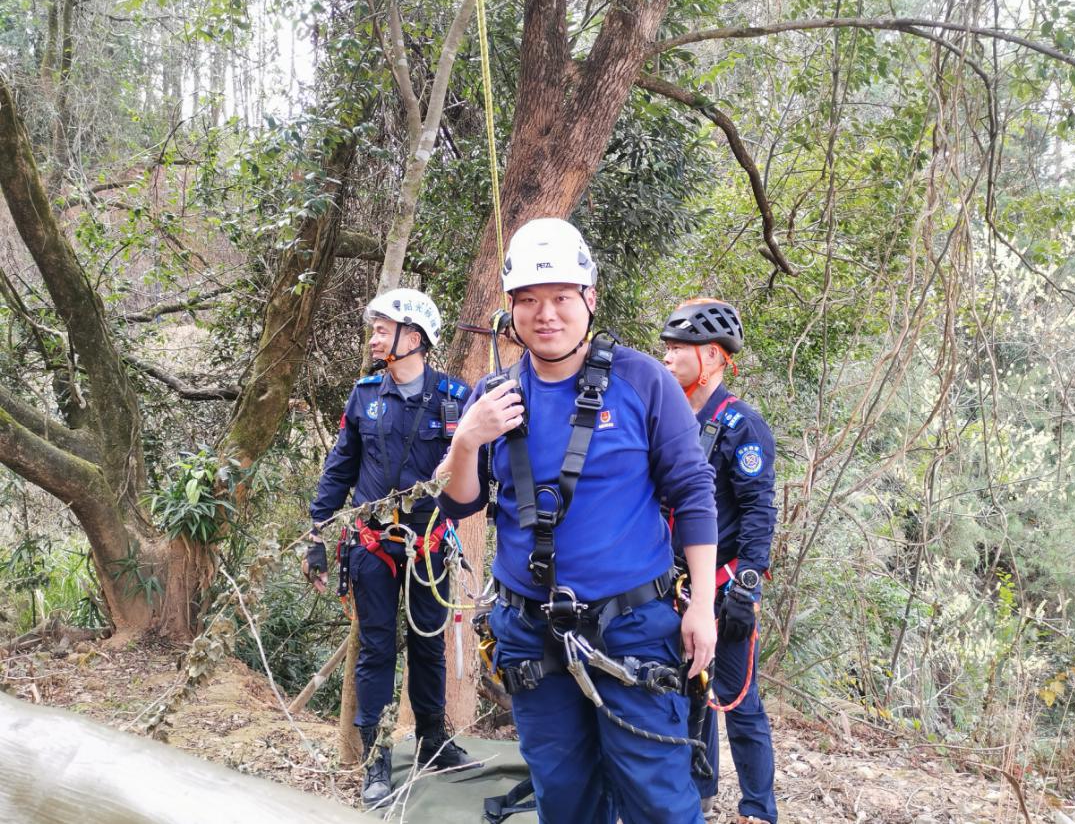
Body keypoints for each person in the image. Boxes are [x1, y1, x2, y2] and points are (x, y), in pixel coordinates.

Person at [436, 218, 719, 824]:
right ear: (510, 310)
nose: (547, 314)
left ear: (589, 299)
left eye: (562, 297)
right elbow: (460, 504)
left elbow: (693, 491)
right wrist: (466, 439)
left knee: (659, 801)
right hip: (530, 632)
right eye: (530, 301)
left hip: (633, 626)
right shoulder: (494, 395)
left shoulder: (642, 380)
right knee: (562, 799)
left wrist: (701, 607)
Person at [302, 288, 475, 809]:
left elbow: (474, 472)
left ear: (413, 337)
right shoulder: (365, 396)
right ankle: (378, 757)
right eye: (374, 328)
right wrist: (316, 536)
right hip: (372, 544)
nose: (374, 338)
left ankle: (432, 739)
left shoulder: (455, 398)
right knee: (377, 647)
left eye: (383, 329)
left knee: (428, 645)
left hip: (428, 544)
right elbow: (340, 469)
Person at [661, 298, 779, 824]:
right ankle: (698, 794)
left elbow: (758, 510)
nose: (667, 358)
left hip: (725, 583)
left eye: (677, 349)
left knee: (737, 699)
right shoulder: (667, 418)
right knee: (689, 693)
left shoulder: (740, 425)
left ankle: (758, 809)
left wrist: (746, 590)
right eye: (665, 348)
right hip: (670, 584)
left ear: (710, 356)